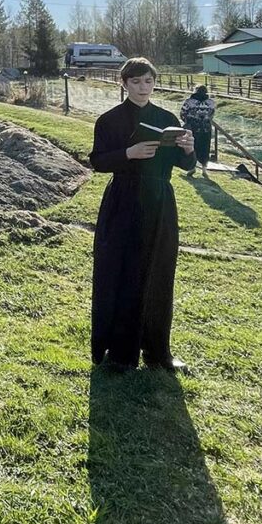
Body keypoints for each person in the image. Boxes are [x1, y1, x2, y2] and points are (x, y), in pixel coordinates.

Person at [89, 57, 196, 372]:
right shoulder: (108, 120)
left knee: (158, 275)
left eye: (148, 81)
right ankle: (121, 353)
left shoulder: (166, 117)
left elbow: (185, 165)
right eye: (135, 82)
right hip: (123, 201)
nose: (142, 87)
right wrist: (128, 154)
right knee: (121, 273)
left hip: (159, 202)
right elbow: (98, 161)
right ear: (123, 84)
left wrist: (189, 149)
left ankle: (157, 352)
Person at [180, 84, 216, 176]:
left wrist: (188, 121)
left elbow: (183, 114)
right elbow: (212, 114)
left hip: (193, 128)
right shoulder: (211, 102)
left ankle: (192, 168)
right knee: (205, 147)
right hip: (206, 129)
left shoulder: (189, 102)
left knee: (192, 147)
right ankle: (204, 169)